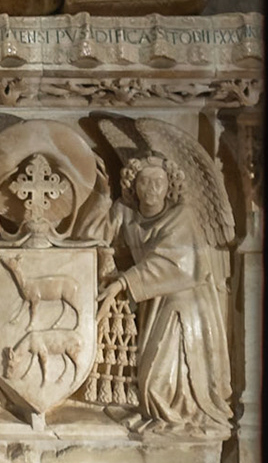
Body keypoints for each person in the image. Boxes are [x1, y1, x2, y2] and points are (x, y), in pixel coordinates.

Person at [93, 154, 233, 435]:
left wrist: (123, 283)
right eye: (144, 181)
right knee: (148, 375)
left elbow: (172, 263)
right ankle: (162, 413)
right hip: (154, 301)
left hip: (184, 305)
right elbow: (100, 240)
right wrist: (102, 202)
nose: (152, 188)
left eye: (159, 181)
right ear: (133, 186)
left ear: (170, 185)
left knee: (156, 381)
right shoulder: (127, 214)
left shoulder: (182, 217)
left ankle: (177, 416)